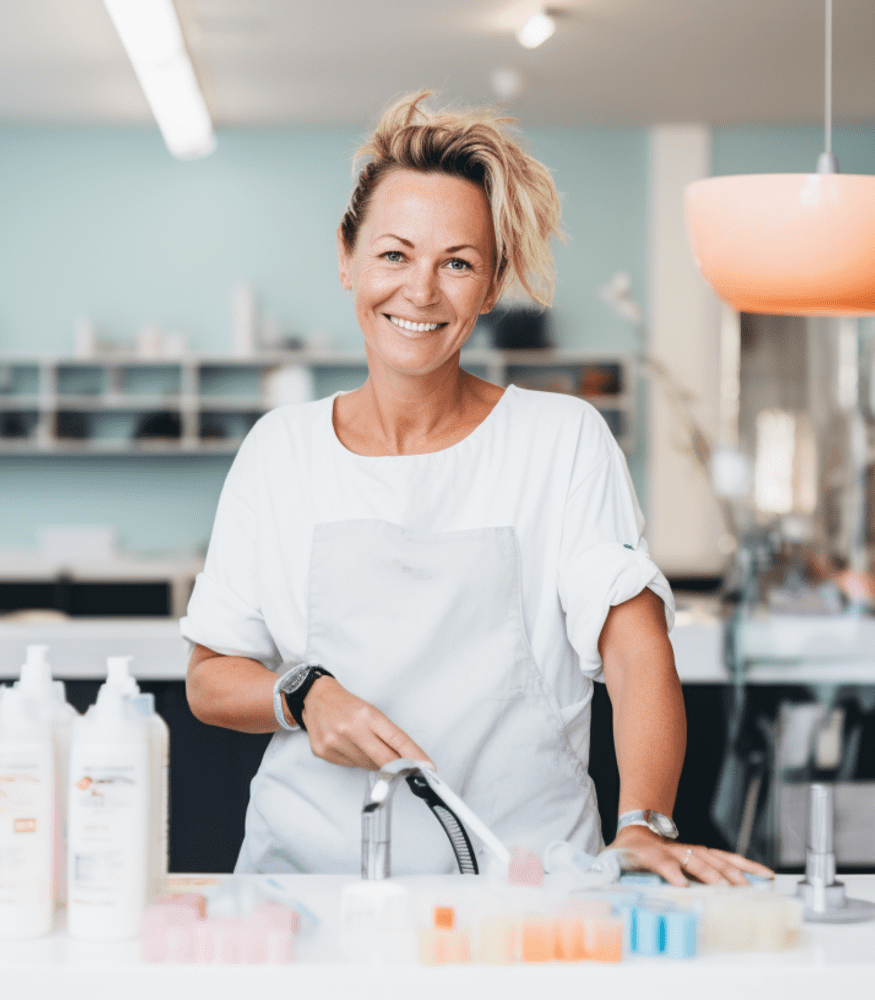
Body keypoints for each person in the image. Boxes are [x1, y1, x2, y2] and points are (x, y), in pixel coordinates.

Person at [182, 92, 773, 886]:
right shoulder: (279, 451)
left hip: (523, 892)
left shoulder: (558, 440)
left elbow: (634, 649)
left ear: (491, 286)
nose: (420, 292)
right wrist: (302, 694)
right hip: (307, 890)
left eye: (457, 262)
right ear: (346, 257)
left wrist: (642, 824)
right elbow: (211, 675)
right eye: (394, 255)